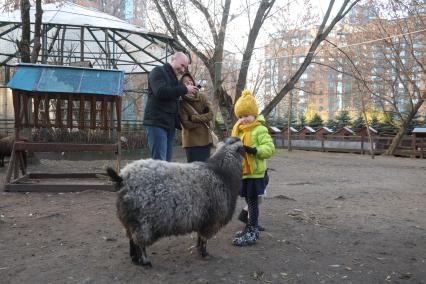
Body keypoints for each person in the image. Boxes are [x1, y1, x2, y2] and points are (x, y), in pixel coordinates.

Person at [231, 89, 275, 247]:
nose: (243, 120)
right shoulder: (240, 131)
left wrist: (254, 151)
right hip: (244, 173)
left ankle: (252, 230)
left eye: (246, 116)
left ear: (254, 114)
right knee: (250, 201)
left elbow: (269, 148)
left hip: (255, 173)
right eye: (240, 117)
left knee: (253, 202)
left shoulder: (260, 129)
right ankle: (250, 225)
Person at [143, 52, 199, 161]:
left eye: (185, 67)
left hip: (169, 125)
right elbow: (160, 92)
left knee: (167, 164)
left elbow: (174, 96)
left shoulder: (174, 79)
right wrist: (184, 89)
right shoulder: (158, 71)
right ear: (173, 59)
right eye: (182, 65)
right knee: (160, 163)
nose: (183, 70)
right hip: (156, 122)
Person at [178, 72, 214, 162]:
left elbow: (211, 115)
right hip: (191, 143)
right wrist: (203, 119)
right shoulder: (181, 102)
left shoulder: (202, 97)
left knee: (206, 171)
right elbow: (187, 124)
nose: (189, 83)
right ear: (182, 86)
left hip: (205, 140)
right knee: (193, 172)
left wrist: (193, 118)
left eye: (190, 81)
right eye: (186, 83)